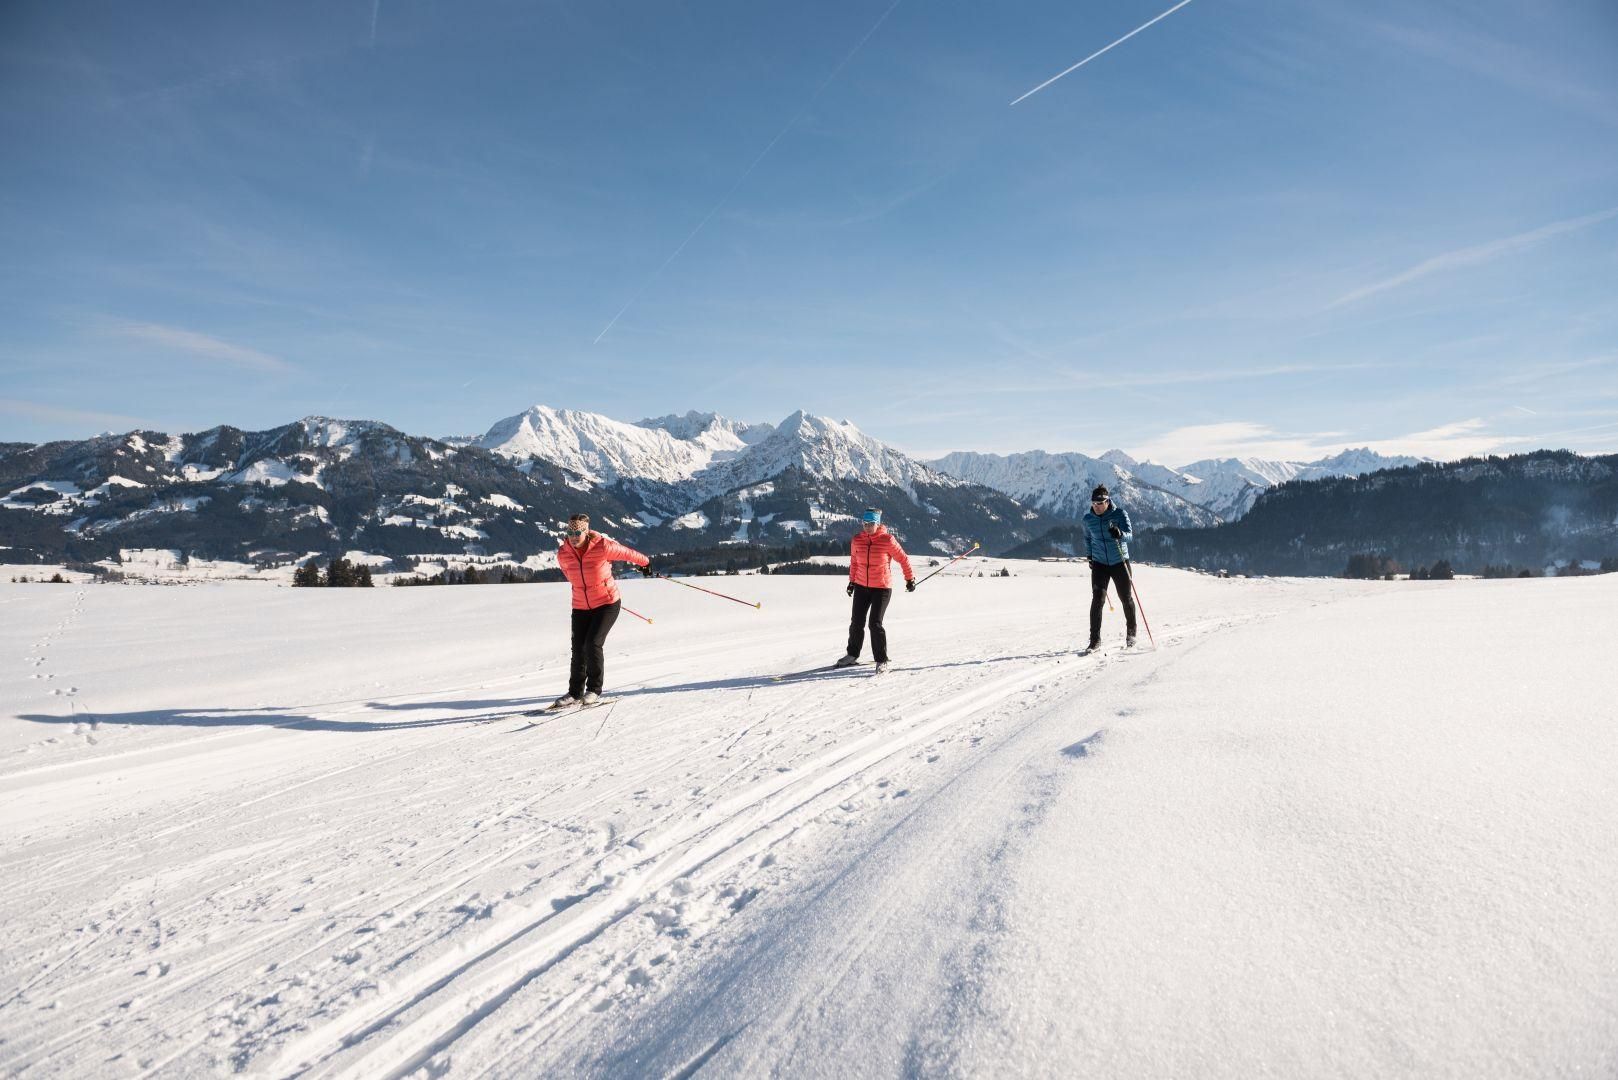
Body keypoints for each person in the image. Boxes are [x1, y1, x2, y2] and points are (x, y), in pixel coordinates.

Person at [552, 512, 652, 708]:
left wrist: (645, 563)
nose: (574, 537)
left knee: (592, 643)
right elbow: (568, 574)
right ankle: (574, 692)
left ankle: (594, 689)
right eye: (570, 533)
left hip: (607, 603)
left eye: (578, 533)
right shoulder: (563, 553)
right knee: (578, 648)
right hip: (580, 606)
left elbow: (627, 553)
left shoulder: (602, 546)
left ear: (586, 532)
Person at [835, 508, 915, 673]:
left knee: (875, 623)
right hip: (861, 586)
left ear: (877, 524)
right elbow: (854, 562)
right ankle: (852, 654)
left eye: (871, 524)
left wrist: (909, 579)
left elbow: (903, 559)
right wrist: (852, 582)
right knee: (856, 622)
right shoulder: (857, 540)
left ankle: (881, 660)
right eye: (865, 524)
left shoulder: (887, 540)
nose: (867, 527)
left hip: (881, 588)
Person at [1082, 484, 1136, 650]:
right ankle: (1094, 640)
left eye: (1099, 503)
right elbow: (1088, 539)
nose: (1096, 507)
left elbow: (1130, 536)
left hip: (1119, 561)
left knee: (1125, 598)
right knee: (1097, 600)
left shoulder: (1120, 514)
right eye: (1093, 504)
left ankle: (1131, 634)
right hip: (1100, 564)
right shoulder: (1088, 519)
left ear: (1107, 501)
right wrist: (1090, 556)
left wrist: (1120, 534)